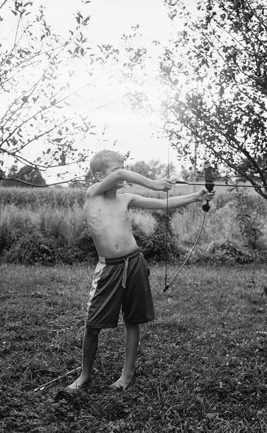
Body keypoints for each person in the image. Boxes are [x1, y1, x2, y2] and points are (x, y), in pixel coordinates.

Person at [67, 150, 214, 390]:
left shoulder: (125, 199)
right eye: (115, 172)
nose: (121, 175)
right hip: (109, 269)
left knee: (132, 320)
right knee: (92, 325)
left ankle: (127, 375)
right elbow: (125, 175)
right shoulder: (92, 194)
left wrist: (196, 196)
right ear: (98, 176)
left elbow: (163, 204)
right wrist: (155, 183)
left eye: (121, 169)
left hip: (134, 262)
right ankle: (84, 375)